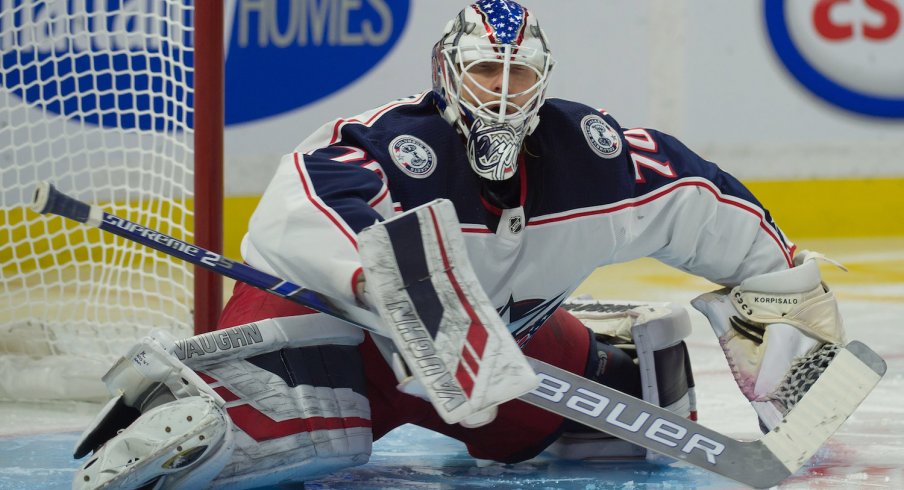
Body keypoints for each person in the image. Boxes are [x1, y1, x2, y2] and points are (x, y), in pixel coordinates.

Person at [71, 1, 846, 488]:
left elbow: (703, 199)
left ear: (543, 81)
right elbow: (304, 199)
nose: (501, 92)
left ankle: (605, 349)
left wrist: (782, 294)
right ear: (448, 71)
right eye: (484, 72)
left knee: (611, 425)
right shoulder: (385, 144)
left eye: (517, 76)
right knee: (261, 443)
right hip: (343, 337)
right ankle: (217, 402)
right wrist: (387, 286)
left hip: (490, 356)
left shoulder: (596, 154)